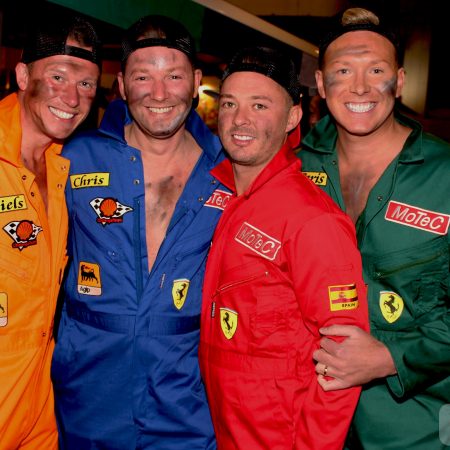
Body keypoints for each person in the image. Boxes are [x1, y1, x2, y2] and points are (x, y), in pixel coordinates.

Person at [51, 15, 229, 449]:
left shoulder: (230, 170)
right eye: (143, 76)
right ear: (122, 86)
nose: (159, 93)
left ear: (196, 82)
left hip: (187, 397)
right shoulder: (74, 157)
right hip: (87, 393)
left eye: (174, 76)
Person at [199, 45, 370, 449]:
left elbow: (344, 361)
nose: (239, 119)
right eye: (230, 104)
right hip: (226, 429)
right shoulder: (226, 197)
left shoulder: (312, 220)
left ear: (292, 117)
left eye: (260, 105)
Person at [298, 7, 450, 450]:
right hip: (309, 418)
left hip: (417, 429)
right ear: (322, 83)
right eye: (344, 71)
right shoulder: (293, 168)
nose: (361, 87)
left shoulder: (444, 175)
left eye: (376, 70)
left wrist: (390, 356)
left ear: (399, 81)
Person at [0, 15, 101, 450]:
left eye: (86, 84)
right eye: (58, 77)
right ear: (23, 76)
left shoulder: (65, 171)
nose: (72, 98)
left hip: (39, 405)